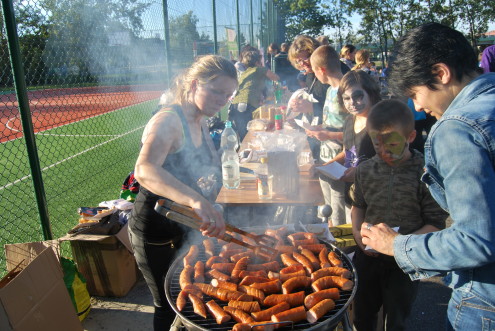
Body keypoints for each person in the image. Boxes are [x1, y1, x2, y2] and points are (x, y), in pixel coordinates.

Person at [360, 23, 495, 330]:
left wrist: (397, 245)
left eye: (416, 93)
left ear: (441, 74)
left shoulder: (458, 129)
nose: (418, 105)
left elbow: (476, 240)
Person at [128, 55, 237, 330]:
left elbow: (208, 167)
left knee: (190, 297)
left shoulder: (200, 119)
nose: (222, 100)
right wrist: (196, 200)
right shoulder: (168, 120)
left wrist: (215, 201)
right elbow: (144, 170)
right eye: (216, 91)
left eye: (228, 94)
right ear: (193, 84)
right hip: (154, 230)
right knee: (167, 304)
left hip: (183, 225)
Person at [350, 99, 447, 331]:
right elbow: (358, 205)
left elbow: (435, 222)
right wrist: (356, 232)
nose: (383, 152)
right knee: (362, 315)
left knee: (397, 319)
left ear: (411, 137)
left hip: (403, 264)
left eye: (392, 145)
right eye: (376, 145)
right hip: (369, 258)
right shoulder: (365, 170)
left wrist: (400, 245)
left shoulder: (423, 172)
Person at [322, 70, 381, 208]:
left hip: (376, 199)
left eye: (358, 96)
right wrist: (327, 165)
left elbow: (394, 159)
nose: (352, 103)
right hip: (353, 197)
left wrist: (359, 172)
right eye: (346, 98)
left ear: (371, 94)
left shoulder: (382, 122)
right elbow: (347, 152)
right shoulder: (349, 121)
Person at [304, 45, 348, 226]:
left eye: (314, 71)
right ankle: (331, 239)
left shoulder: (347, 92)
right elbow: (332, 120)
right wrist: (317, 128)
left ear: (321, 69)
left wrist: (328, 134)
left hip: (341, 162)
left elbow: (356, 133)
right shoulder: (330, 90)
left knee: (339, 211)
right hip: (325, 159)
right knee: (328, 208)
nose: (314, 76)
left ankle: (344, 250)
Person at [229, 48, 279, 140]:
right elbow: (275, 77)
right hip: (246, 105)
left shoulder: (246, 72)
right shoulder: (259, 69)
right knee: (249, 134)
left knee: (243, 135)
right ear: (257, 62)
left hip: (235, 105)